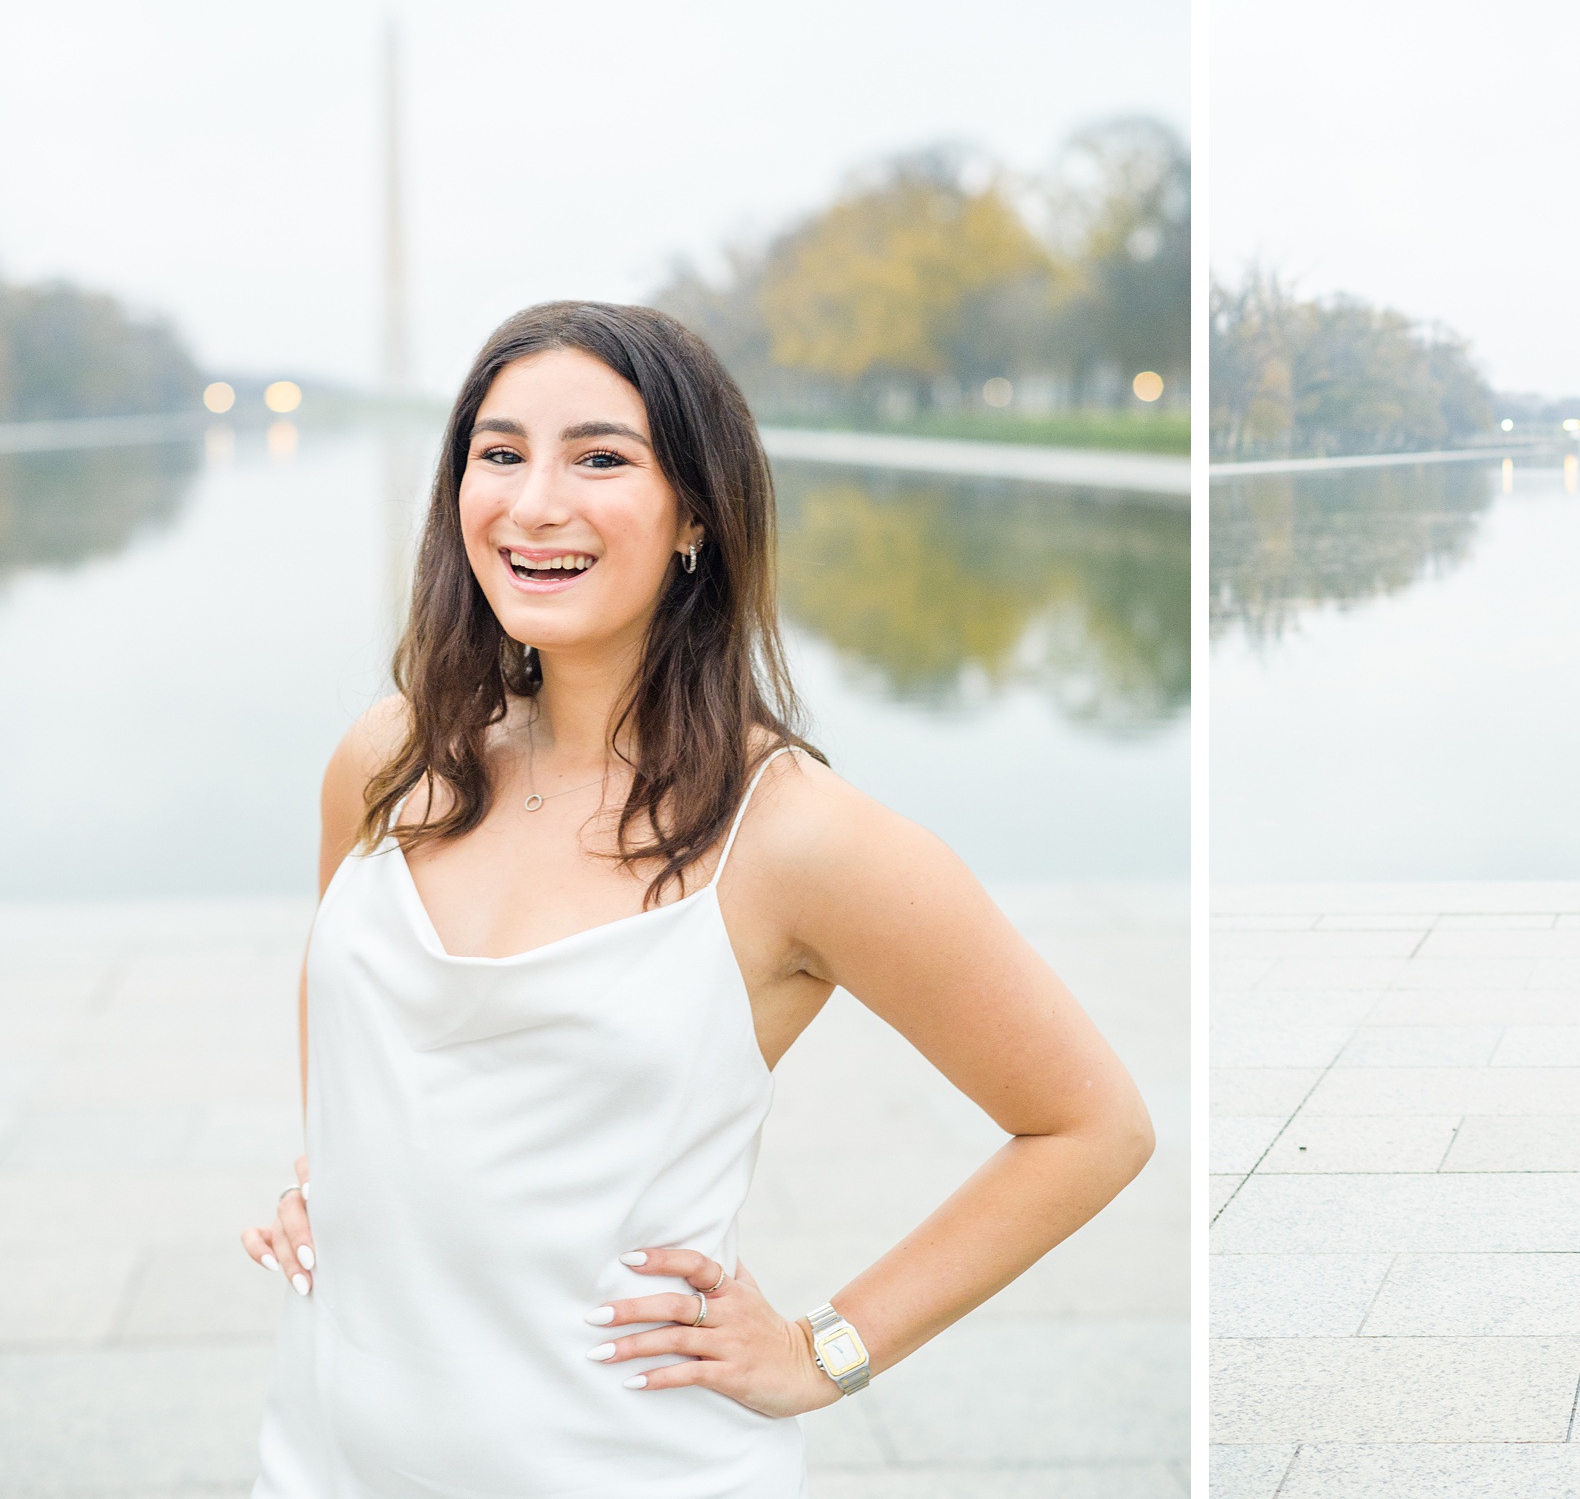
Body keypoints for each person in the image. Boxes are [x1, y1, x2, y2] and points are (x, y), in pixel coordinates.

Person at [239, 302, 1155, 1495]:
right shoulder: (388, 759)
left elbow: (1092, 1128)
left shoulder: (795, 837)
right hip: (325, 1457)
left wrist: (827, 1348)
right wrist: (335, 1176)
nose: (534, 503)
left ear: (697, 517)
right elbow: (351, 1005)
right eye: (499, 452)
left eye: (602, 456)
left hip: (630, 1463)